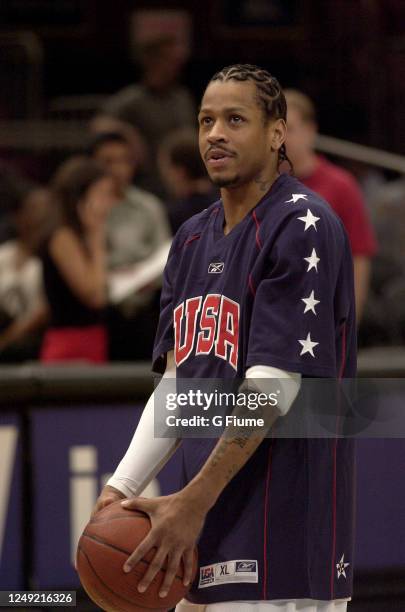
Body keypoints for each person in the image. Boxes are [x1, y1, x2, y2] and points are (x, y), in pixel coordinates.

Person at [92, 64, 356, 612]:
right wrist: (121, 487)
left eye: (235, 119)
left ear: (276, 132)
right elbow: (179, 387)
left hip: (284, 533)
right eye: (206, 120)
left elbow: (272, 384)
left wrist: (193, 501)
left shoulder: (303, 222)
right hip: (203, 527)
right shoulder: (189, 239)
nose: (214, 133)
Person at [284, 89, 377, 321]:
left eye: (290, 129)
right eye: (276, 130)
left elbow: (359, 256)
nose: (282, 139)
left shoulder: (341, 185)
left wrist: (349, 320)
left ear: (310, 130)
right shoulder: (261, 187)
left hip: (324, 313)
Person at [89, 131, 172, 360]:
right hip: (100, 312)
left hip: (144, 311)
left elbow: (164, 258)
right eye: (108, 161)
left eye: (124, 161)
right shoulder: (84, 209)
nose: (117, 168)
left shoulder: (149, 207)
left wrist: (141, 278)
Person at [40, 157, 116, 363]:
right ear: (80, 198)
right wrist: (97, 238)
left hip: (92, 338)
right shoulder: (63, 237)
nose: (110, 202)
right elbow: (94, 296)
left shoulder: (79, 236)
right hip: (71, 345)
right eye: (102, 194)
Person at [100, 35, 195, 198]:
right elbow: (100, 123)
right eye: (168, 59)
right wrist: (129, 133)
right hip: (147, 180)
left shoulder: (182, 98)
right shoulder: (133, 99)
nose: (174, 66)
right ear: (152, 61)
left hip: (183, 179)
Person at [0, 184, 51, 362]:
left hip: (37, 343)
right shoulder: (4, 254)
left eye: (45, 211)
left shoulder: (53, 259)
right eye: (32, 210)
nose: (38, 218)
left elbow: (44, 312)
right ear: (18, 216)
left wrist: (7, 340)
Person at [158, 129, 219, 233]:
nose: (165, 176)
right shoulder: (225, 201)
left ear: (180, 172)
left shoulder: (175, 215)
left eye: (167, 167)